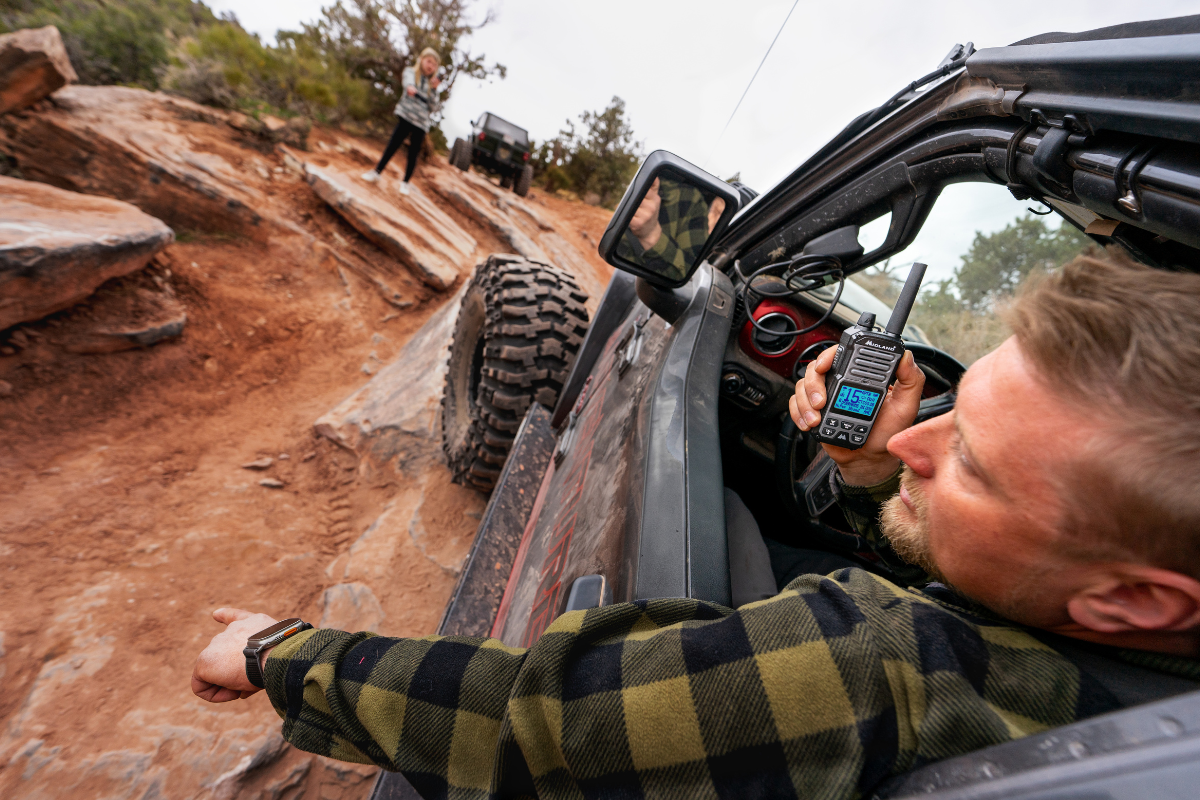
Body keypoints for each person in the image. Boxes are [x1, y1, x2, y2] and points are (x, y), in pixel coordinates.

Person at [192, 253, 1200, 799]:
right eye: (951, 407)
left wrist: (279, 650)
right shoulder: (1140, 665)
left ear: (1133, 597)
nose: (914, 443)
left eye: (969, 459)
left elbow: (533, 719)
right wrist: (856, 470)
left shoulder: (882, 665)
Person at [361, 47, 441, 196]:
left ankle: (405, 182)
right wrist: (410, 87)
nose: (431, 66)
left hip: (421, 123)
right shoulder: (410, 72)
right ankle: (377, 172)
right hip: (406, 116)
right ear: (422, 60)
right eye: (429, 61)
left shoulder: (432, 86)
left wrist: (435, 90)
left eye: (434, 64)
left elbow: (434, 106)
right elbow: (408, 83)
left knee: (413, 153)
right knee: (393, 144)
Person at [617, 176, 725, 282]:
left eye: (721, 215)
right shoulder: (680, 198)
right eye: (716, 212)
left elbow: (688, 279)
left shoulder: (690, 200)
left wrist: (651, 234)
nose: (714, 220)